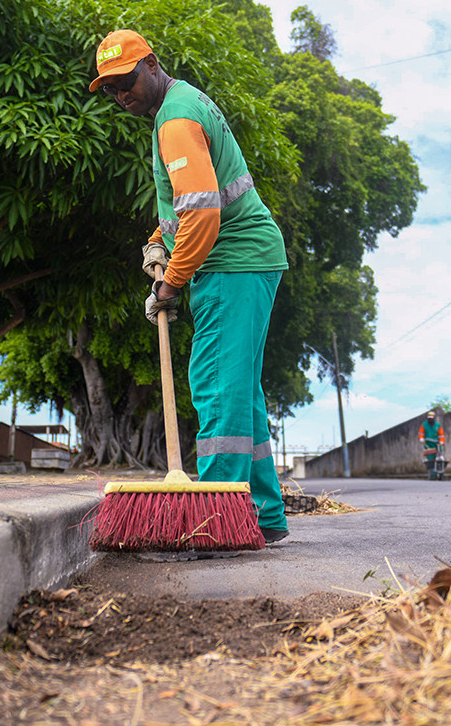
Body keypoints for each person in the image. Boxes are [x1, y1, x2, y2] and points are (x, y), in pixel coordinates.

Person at [88, 29, 290, 544]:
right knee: (241, 391)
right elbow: (191, 202)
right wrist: (159, 238)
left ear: (150, 64)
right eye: (109, 89)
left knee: (217, 384)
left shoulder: (174, 121)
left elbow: (202, 214)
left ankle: (213, 522)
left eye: (125, 81)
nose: (119, 95)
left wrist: (170, 284)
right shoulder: (181, 103)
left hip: (233, 263)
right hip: (248, 260)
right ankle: (261, 513)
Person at [418, 409, 446, 480]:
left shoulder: (438, 425)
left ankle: (440, 472)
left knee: (439, 457)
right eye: (429, 418)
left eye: (431, 418)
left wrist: (442, 442)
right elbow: (421, 433)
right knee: (430, 459)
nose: (430, 419)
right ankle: (432, 473)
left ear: (434, 418)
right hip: (428, 444)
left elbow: (441, 435)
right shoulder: (424, 425)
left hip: (437, 444)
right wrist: (421, 438)